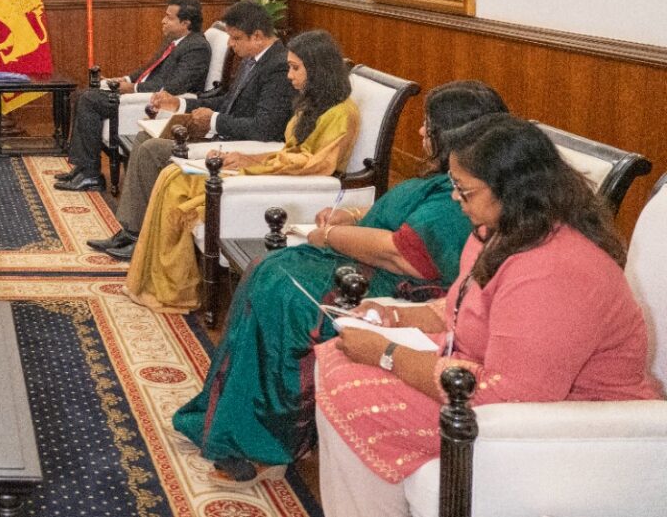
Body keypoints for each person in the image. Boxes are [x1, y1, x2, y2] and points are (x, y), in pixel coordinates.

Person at [315, 115, 659, 516]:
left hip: (568, 427)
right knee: (340, 355)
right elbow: (462, 308)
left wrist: (386, 354)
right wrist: (392, 317)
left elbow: (509, 394)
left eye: (465, 189)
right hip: (491, 383)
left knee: (354, 388)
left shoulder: (557, 270)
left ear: (512, 189)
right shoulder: (499, 232)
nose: (455, 198)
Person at [173, 81, 509, 485]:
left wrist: (329, 237)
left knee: (285, 293)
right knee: (267, 269)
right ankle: (223, 421)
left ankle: (268, 444)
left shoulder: (459, 194)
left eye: (429, 125)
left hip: (401, 284)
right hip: (370, 266)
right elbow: (398, 218)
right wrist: (352, 216)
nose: (422, 132)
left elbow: (404, 254)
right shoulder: (447, 180)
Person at [124, 29, 359, 313]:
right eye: (289, 67)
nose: (289, 76)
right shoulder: (312, 104)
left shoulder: (342, 113)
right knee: (173, 175)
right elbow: (289, 151)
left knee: (176, 184)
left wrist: (252, 163)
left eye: (295, 68)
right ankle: (158, 281)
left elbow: (315, 164)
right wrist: (245, 158)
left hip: (288, 182)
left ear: (318, 70)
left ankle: (173, 289)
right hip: (276, 170)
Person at [94, 0, 296, 259]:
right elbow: (227, 100)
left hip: (239, 145)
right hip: (224, 133)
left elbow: (265, 127)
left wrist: (213, 121)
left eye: (235, 38)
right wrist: (180, 104)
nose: (230, 45)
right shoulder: (252, 59)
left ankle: (137, 237)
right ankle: (133, 231)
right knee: (145, 137)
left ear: (257, 36)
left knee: (152, 150)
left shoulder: (278, 67)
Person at [55, 0, 211, 192]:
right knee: (81, 94)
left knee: (89, 99)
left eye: (169, 17)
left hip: (152, 101)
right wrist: (125, 79)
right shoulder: (173, 40)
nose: (163, 20)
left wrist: (132, 88)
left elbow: (174, 87)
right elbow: (148, 69)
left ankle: (91, 176)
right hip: (139, 94)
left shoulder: (197, 47)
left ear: (185, 23)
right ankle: (82, 168)